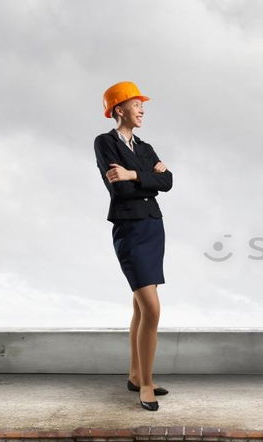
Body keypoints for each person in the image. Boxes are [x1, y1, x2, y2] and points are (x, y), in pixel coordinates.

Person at [94, 81, 173, 411]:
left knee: (141, 308)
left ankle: (134, 374)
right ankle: (146, 385)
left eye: (143, 105)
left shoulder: (145, 146)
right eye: (136, 104)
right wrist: (144, 177)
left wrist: (133, 174)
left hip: (153, 227)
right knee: (152, 308)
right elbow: (120, 190)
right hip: (129, 228)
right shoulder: (104, 143)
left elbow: (167, 182)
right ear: (118, 109)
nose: (142, 110)